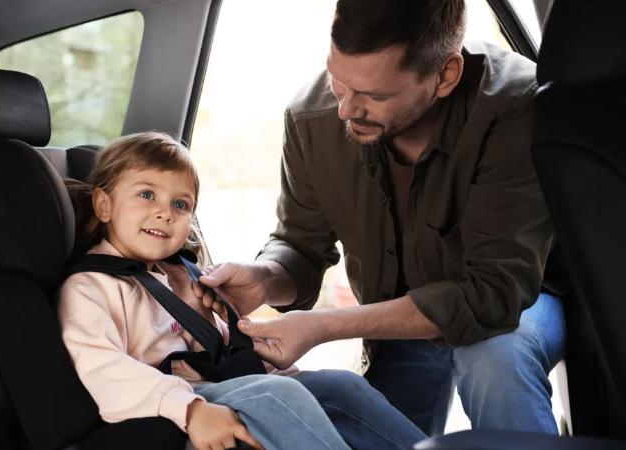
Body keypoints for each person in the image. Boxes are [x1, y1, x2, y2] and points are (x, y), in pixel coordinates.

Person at [199, 0, 567, 436]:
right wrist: (265, 277)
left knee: (494, 357)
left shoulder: (512, 108)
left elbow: (492, 295)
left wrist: (325, 326)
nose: (347, 110)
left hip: (522, 305)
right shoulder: (311, 118)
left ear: (446, 76)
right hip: (400, 326)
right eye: (339, 82)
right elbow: (300, 244)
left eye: (376, 96)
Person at [57, 131, 427, 450]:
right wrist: (189, 410)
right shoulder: (90, 288)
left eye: (180, 204)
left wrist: (209, 323)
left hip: (209, 385)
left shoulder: (175, 275)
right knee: (277, 395)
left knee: (338, 385)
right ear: (104, 205)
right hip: (165, 403)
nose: (165, 213)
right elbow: (101, 369)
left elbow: (212, 352)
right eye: (146, 195)